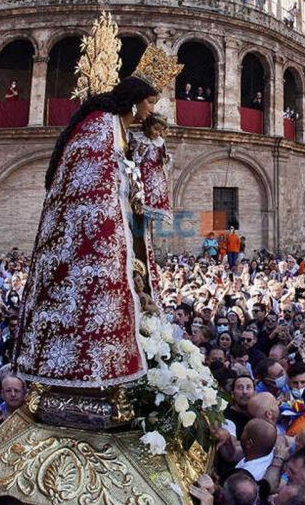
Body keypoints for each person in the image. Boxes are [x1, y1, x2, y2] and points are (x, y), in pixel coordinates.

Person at [14, 42, 182, 391]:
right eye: (150, 102)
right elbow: (92, 186)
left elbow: (132, 175)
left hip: (121, 234)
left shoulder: (122, 131)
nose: (151, 110)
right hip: (89, 246)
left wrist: (152, 153)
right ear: (135, 98)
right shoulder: (100, 126)